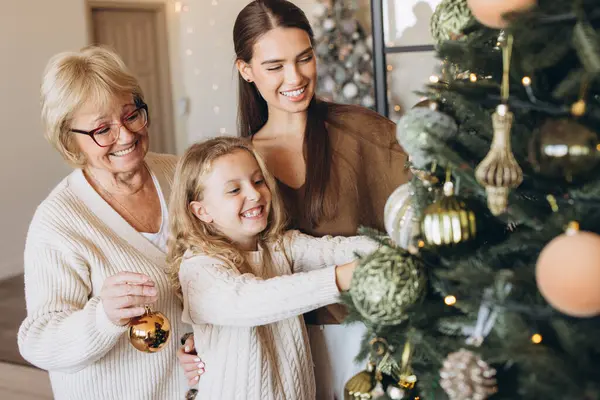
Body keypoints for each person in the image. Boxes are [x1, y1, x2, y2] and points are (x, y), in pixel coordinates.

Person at [232, 0, 410, 397]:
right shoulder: (238, 163)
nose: (294, 77)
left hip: (372, 339)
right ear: (246, 70)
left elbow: (424, 212)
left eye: (304, 58)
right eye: (274, 66)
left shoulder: (363, 131)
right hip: (279, 350)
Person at [17, 46, 202, 400]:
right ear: (70, 140)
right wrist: (104, 316)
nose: (126, 135)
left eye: (131, 115)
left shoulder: (180, 174)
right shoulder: (58, 222)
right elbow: (39, 340)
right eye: (103, 129)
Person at [167, 136, 377, 399]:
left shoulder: (279, 246)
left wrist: (401, 246)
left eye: (257, 181)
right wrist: (339, 279)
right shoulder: (199, 269)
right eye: (234, 190)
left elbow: (333, 250)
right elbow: (252, 300)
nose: (254, 194)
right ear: (201, 211)